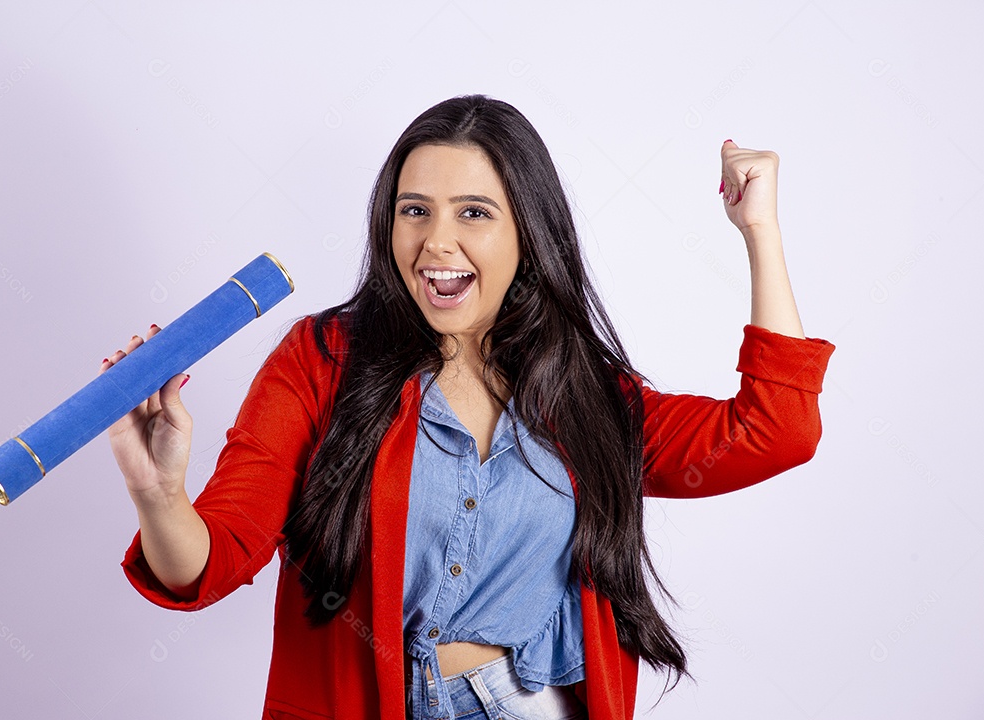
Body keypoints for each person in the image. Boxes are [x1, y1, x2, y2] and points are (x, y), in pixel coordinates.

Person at [101, 95, 836, 719]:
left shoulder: (584, 393)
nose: (435, 242)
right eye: (413, 210)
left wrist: (759, 233)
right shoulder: (321, 361)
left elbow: (774, 431)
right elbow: (212, 560)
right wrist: (157, 492)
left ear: (527, 232)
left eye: (474, 212)